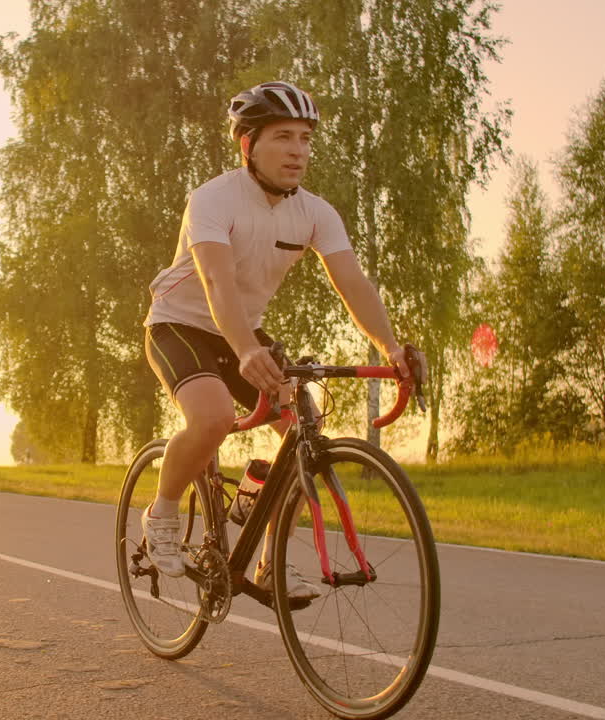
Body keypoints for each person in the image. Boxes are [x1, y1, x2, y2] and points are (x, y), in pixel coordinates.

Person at [142, 81, 413, 599]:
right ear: (248, 144)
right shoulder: (213, 199)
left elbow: (352, 283)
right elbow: (217, 281)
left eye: (306, 138)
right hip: (180, 323)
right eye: (283, 136)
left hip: (244, 329)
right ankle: (162, 513)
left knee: (300, 424)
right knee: (215, 417)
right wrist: (246, 351)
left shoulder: (314, 211)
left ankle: (270, 560)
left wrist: (390, 348)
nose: (298, 150)